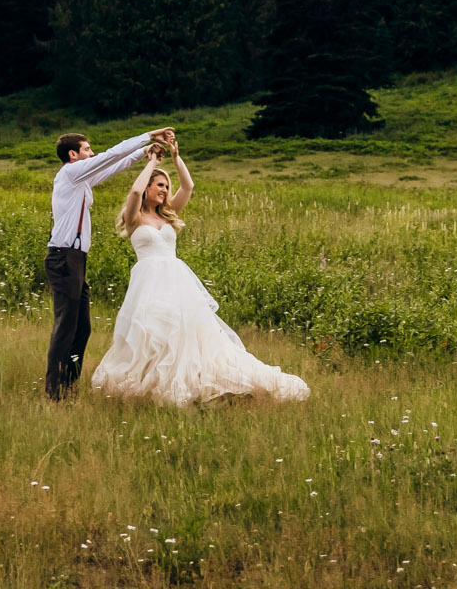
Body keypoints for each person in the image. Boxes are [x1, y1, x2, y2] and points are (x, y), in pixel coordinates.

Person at [91, 136, 310, 406]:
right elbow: (135, 193)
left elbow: (189, 185)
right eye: (160, 185)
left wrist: (175, 157)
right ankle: (150, 385)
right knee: (151, 332)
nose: (165, 190)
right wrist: (151, 163)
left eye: (166, 186)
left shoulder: (167, 213)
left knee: (186, 333)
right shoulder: (134, 218)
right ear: (148, 187)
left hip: (177, 281)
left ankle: (198, 383)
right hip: (149, 284)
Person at [46, 126, 174, 399]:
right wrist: (149, 136)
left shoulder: (81, 180)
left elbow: (114, 165)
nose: (92, 153)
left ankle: (69, 385)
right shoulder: (70, 173)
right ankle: (55, 392)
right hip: (63, 257)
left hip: (76, 259)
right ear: (73, 154)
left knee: (82, 327)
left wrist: (145, 153)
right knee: (66, 326)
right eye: (87, 149)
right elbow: (109, 156)